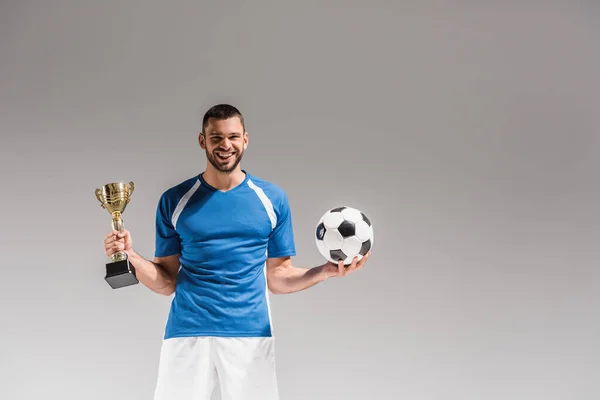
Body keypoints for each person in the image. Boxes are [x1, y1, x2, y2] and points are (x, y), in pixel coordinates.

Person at [103, 104, 371, 400]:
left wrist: (324, 271)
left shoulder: (271, 199)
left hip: (249, 333)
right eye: (216, 138)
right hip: (187, 331)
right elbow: (166, 282)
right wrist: (131, 255)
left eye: (232, 137)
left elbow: (278, 277)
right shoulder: (175, 200)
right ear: (202, 141)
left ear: (245, 139)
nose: (225, 145)